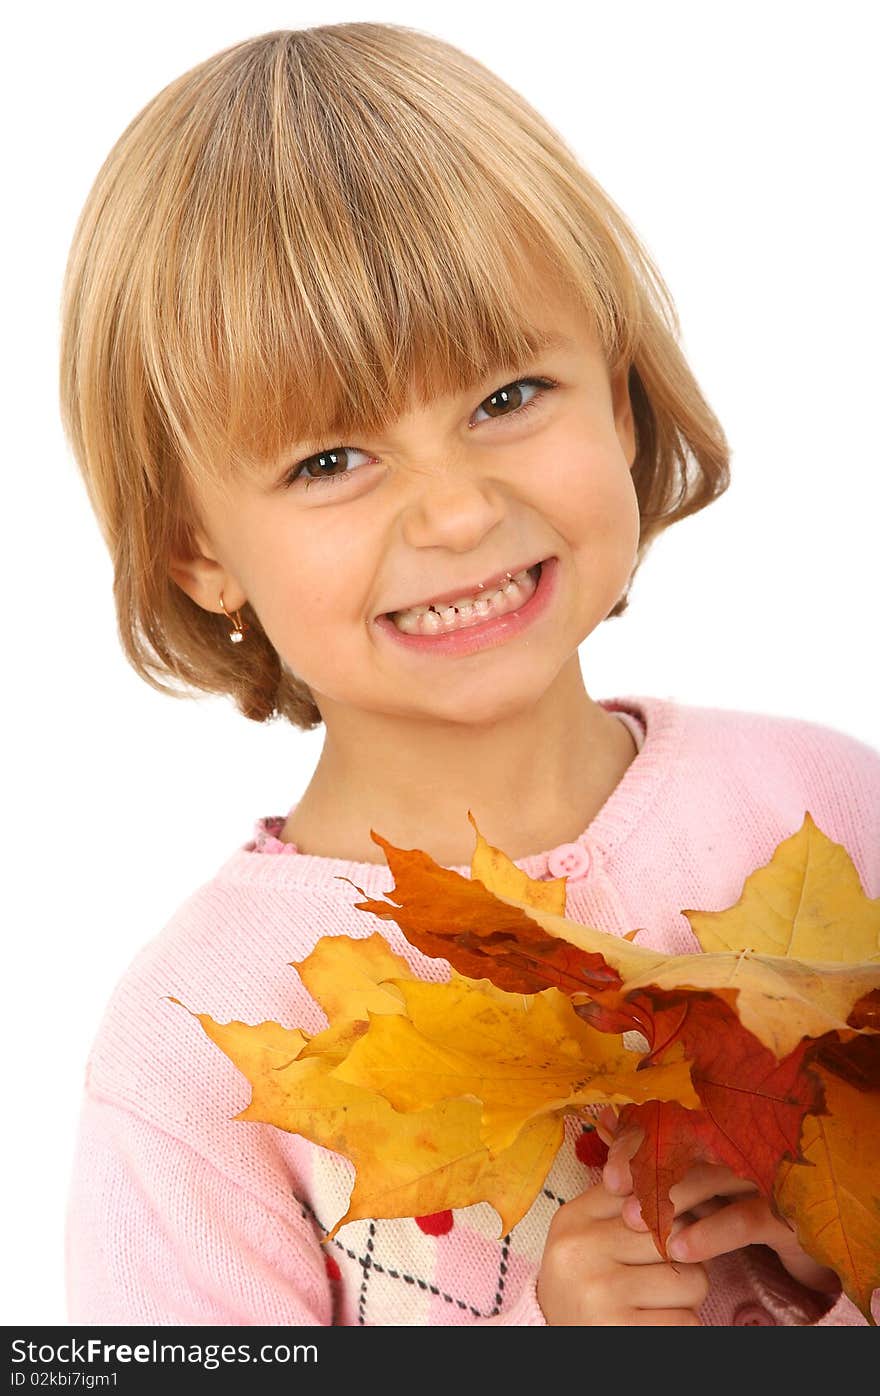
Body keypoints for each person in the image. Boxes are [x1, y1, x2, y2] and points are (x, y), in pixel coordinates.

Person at [59, 22, 878, 1327]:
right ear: (195, 548)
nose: (453, 515)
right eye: (329, 461)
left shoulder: (831, 812)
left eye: (507, 396)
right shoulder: (193, 1045)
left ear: (618, 402)